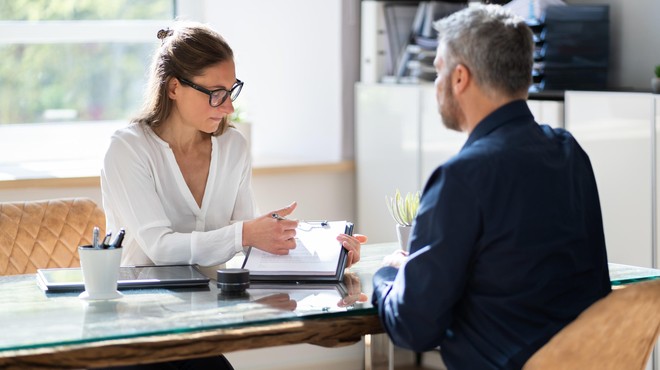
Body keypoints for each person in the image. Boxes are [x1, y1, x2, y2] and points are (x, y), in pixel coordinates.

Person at [100, 21, 366, 370]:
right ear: (174, 88)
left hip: (202, 325)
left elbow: (247, 247)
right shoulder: (128, 149)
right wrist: (245, 234)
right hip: (137, 327)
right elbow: (161, 248)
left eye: (231, 91)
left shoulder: (233, 146)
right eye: (215, 93)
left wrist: (330, 256)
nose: (227, 108)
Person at [371, 5, 611, 370]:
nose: (435, 85)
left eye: (437, 70)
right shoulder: (570, 154)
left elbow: (413, 327)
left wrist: (388, 275)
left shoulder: (462, 177)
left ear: (460, 78)